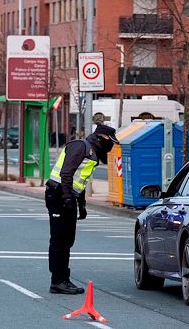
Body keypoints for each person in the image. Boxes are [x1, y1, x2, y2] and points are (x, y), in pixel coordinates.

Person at [45, 124, 118, 294]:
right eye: (111, 142)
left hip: (67, 197)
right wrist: (67, 198)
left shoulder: (91, 152)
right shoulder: (80, 147)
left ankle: (64, 278)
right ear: (102, 138)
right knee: (58, 240)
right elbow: (66, 173)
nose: (111, 146)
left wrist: (81, 204)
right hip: (58, 196)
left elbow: (81, 181)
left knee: (67, 240)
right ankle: (57, 281)